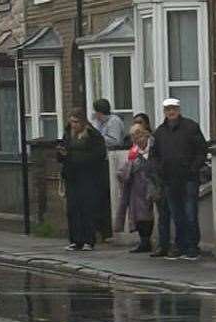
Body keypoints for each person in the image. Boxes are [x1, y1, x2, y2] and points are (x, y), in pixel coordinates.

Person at [150, 97, 207, 259]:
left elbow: (202, 150)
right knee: (177, 215)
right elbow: (154, 155)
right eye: (168, 109)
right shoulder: (160, 132)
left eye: (173, 109)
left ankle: (192, 247)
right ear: (164, 112)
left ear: (179, 110)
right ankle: (180, 246)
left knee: (190, 214)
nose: (171, 112)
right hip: (169, 179)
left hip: (188, 178)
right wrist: (160, 169)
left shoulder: (191, 127)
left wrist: (193, 168)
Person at [57, 110, 109, 251]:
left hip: (88, 177)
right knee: (73, 209)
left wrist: (76, 158)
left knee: (87, 208)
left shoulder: (93, 136)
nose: (73, 125)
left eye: (76, 122)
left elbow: (99, 156)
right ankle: (75, 240)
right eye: (71, 121)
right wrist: (61, 154)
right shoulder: (68, 135)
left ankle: (88, 240)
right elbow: (61, 155)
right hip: (72, 176)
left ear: (83, 122)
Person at [115, 124, 158, 253]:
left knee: (151, 213)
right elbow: (128, 166)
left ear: (146, 133)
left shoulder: (154, 146)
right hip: (137, 185)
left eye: (138, 133)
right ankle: (144, 241)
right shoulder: (134, 151)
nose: (136, 138)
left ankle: (155, 241)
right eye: (133, 135)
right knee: (139, 214)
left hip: (153, 182)